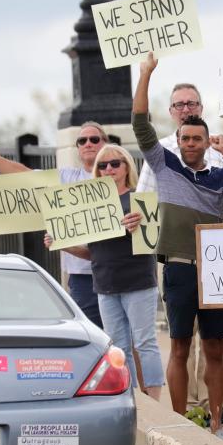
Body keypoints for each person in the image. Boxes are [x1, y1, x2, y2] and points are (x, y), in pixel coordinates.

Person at [132, 54, 223, 441]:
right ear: (178, 139)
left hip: (214, 270)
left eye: (198, 139)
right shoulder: (164, 165)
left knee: (214, 347)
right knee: (179, 346)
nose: (192, 144)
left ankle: (216, 424)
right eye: (186, 138)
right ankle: (180, 427)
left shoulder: (218, 173)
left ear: (205, 142)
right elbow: (139, 122)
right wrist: (147, 74)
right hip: (179, 266)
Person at [0, 123, 108, 327]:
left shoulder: (116, 175)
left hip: (116, 270)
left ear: (106, 144)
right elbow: (23, 175)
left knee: (128, 339)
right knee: (90, 337)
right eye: (82, 141)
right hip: (82, 277)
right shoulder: (66, 178)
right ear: (78, 148)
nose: (88, 144)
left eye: (94, 139)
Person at [52, 143, 164, 399]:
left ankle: (154, 401)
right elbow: (93, 253)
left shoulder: (139, 198)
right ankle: (131, 398)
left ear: (127, 167)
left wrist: (140, 224)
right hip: (105, 284)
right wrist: (63, 245)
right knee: (118, 346)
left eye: (116, 163)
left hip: (138, 282)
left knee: (145, 342)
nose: (109, 169)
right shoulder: (89, 206)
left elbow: (154, 241)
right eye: (103, 165)